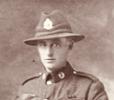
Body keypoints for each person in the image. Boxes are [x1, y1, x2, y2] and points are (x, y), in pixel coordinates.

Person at [15, 10, 108, 100]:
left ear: (70, 45)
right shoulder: (27, 87)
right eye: (43, 45)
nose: (49, 53)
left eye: (56, 45)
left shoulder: (89, 87)